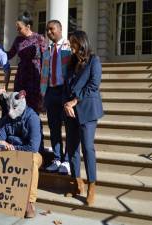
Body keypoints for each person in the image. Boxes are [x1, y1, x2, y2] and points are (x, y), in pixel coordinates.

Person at [63, 31, 104, 206]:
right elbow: (67, 86)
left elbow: (94, 85)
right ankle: (77, 183)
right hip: (71, 112)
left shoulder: (94, 60)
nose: (70, 45)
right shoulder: (71, 62)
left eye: (73, 42)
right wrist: (67, 104)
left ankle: (91, 186)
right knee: (71, 148)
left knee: (87, 148)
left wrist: (74, 101)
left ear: (81, 42)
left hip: (87, 110)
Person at [0, 91, 43, 218]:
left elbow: (33, 148)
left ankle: (30, 202)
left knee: (32, 160)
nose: (10, 112)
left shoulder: (32, 118)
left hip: (31, 153)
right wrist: (4, 144)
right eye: (8, 107)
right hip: (11, 153)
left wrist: (13, 147)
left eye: (14, 107)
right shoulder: (6, 119)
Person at [41, 20, 71, 175]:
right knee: (54, 128)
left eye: (51, 29)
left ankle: (67, 161)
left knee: (69, 128)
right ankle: (57, 158)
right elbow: (44, 74)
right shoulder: (47, 49)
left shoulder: (69, 47)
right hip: (51, 92)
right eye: (47, 30)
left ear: (60, 29)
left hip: (65, 92)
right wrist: (43, 95)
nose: (49, 32)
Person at [7, 11, 46, 113]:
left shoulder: (39, 38)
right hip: (21, 76)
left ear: (28, 26)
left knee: (33, 107)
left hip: (35, 76)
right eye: (17, 27)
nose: (17, 30)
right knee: (19, 105)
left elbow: (46, 59)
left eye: (19, 27)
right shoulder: (17, 40)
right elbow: (9, 54)